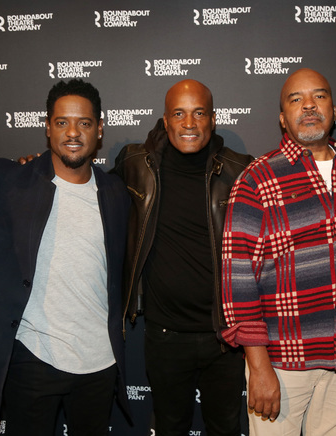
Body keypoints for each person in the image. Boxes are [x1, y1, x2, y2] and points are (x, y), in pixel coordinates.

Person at [221, 68, 336, 436]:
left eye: (319, 96)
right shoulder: (257, 178)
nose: (308, 105)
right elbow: (239, 279)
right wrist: (259, 367)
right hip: (282, 363)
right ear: (282, 117)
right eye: (296, 99)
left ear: (334, 108)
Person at [0, 79, 130, 436]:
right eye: (61, 122)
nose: (73, 132)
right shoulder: (10, 181)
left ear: (99, 129)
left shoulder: (115, 191)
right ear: (47, 127)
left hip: (100, 362)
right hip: (33, 358)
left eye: (84, 123)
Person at [112, 79, 253, 435]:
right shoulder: (135, 164)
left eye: (198, 113)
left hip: (224, 339)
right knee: (170, 426)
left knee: (225, 427)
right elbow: (85, 185)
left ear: (213, 118)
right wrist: (42, 169)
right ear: (165, 119)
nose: (189, 123)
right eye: (179, 113)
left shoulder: (240, 171)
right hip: (164, 336)